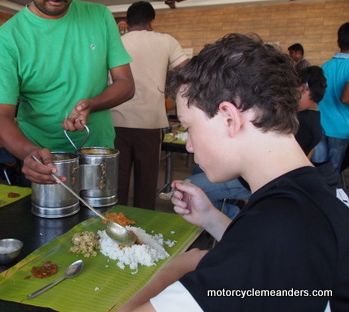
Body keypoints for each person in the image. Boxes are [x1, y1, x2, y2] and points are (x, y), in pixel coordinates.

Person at [120, 33, 349, 312]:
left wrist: (180, 266)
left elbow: (260, 252)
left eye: (189, 127)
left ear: (230, 118)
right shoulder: (317, 189)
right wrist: (211, 218)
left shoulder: (273, 232)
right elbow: (274, 261)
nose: (189, 145)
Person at [0, 0, 134, 184]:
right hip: (42, 162)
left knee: (104, 220)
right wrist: (29, 153)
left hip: (97, 155)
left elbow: (126, 84)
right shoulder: (7, 39)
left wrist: (92, 104)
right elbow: (0, 117)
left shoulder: (100, 16)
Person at [188, 64, 329, 218]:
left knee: (191, 187)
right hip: (252, 175)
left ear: (302, 88)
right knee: (199, 169)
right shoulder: (312, 118)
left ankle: (232, 214)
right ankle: (232, 205)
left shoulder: (302, 123)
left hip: (250, 181)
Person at [110, 1, 188, 210]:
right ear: (152, 21)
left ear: (126, 22)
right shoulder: (166, 41)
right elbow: (186, 72)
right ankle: (143, 228)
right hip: (150, 123)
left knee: (117, 181)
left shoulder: (116, 42)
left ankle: (114, 224)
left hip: (116, 122)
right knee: (146, 182)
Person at [312, 22, 349, 173]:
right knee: (332, 174)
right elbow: (345, 99)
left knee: (318, 170)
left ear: (338, 42)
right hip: (340, 129)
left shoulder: (325, 66)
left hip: (320, 125)